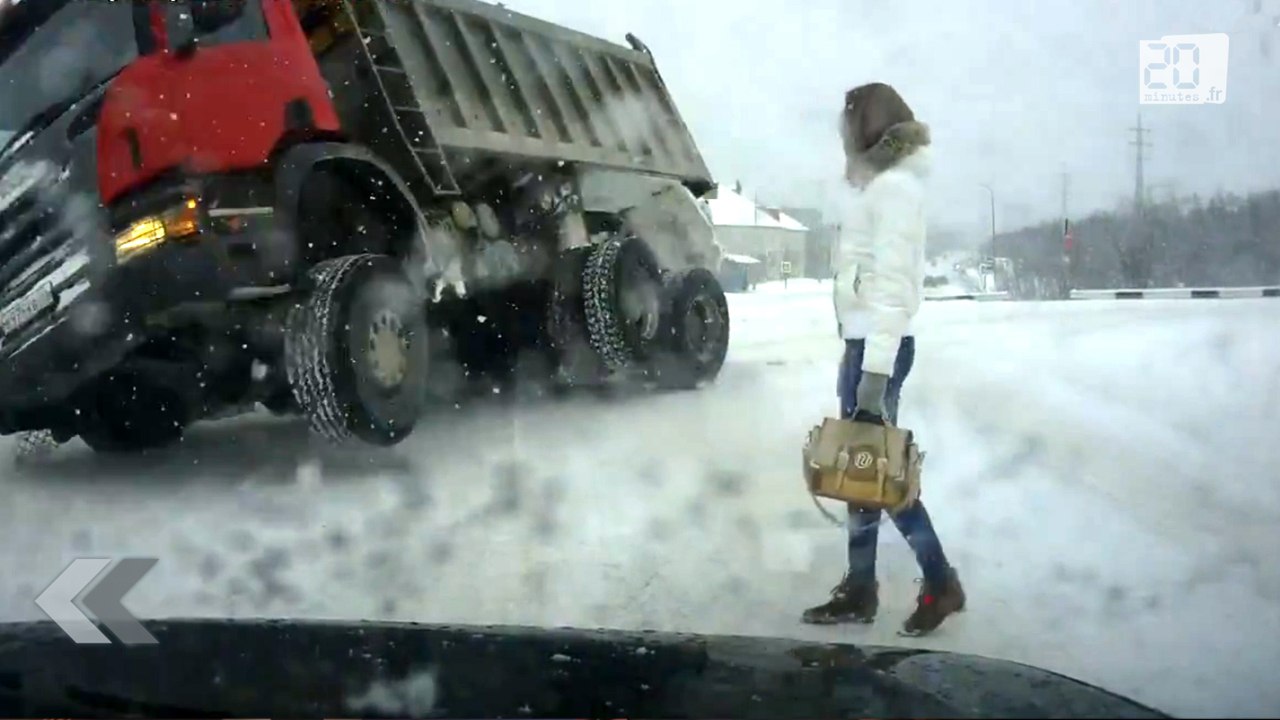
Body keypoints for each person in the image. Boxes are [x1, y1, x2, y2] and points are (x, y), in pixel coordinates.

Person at [801, 82, 966, 636]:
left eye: (849, 124)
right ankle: (861, 586)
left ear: (868, 127)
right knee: (860, 470)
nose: (842, 135)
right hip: (865, 343)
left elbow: (893, 289)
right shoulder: (882, 187)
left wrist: (873, 376)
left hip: (877, 347)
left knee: (878, 472)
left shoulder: (894, 190)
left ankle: (938, 582)